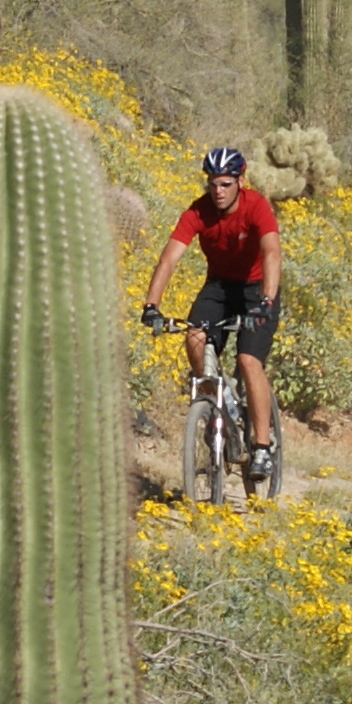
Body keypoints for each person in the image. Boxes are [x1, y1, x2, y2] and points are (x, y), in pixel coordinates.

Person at [138, 147, 284, 489]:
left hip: (256, 289)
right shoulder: (198, 212)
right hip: (219, 287)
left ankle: (261, 446)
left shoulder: (256, 206)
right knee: (193, 336)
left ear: (239, 182)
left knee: (249, 361)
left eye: (225, 184)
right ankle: (211, 404)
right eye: (212, 184)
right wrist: (151, 306)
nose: (218, 190)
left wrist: (266, 300)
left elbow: (271, 252)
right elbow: (169, 259)